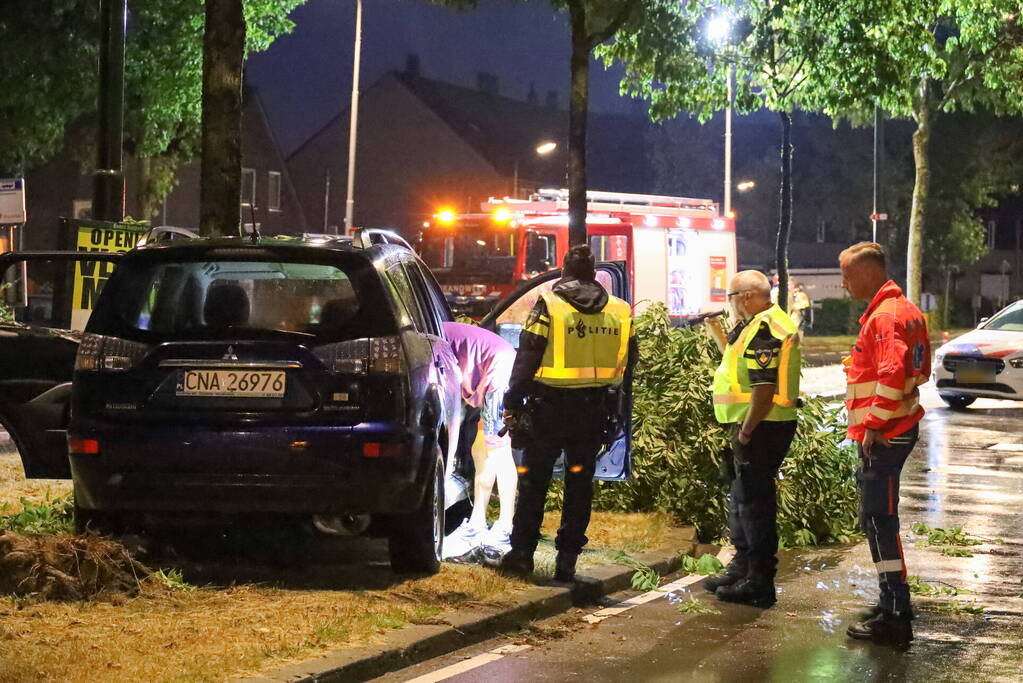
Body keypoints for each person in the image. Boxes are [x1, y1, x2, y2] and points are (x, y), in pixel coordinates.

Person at [497, 245, 637, 583]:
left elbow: (527, 356)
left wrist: (512, 402)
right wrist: (617, 407)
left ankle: (522, 555)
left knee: (534, 483)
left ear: (564, 271)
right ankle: (567, 561)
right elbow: (630, 362)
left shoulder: (550, 306)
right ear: (594, 274)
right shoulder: (620, 310)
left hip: (549, 409)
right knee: (579, 484)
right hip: (593, 411)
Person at [839, 242, 930, 647]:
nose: (843, 283)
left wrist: (873, 425)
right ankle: (892, 603)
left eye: (847, 275)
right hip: (898, 426)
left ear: (870, 273)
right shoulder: (902, 309)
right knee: (879, 521)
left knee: (878, 522)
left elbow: (893, 374)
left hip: (886, 433)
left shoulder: (885, 316)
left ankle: (895, 616)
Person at [703, 270, 801, 607]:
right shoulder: (758, 324)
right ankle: (742, 567)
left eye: (730, 298)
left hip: (762, 425)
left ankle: (759, 581)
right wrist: (716, 330)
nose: (729, 306)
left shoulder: (764, 329)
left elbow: (763, 388)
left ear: (745, 297)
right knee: (742, 498)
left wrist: (746, 430)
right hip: (758, 423)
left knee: (756, 505)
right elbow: (735, 366)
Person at [440, 321, 518, 562]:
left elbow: (450, 402)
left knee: (498, 453)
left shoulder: (431, 340)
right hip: (495, 369)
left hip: (497, 373)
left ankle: (503, 528)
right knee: (481, 450)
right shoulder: (436, 331)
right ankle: (479, 523)